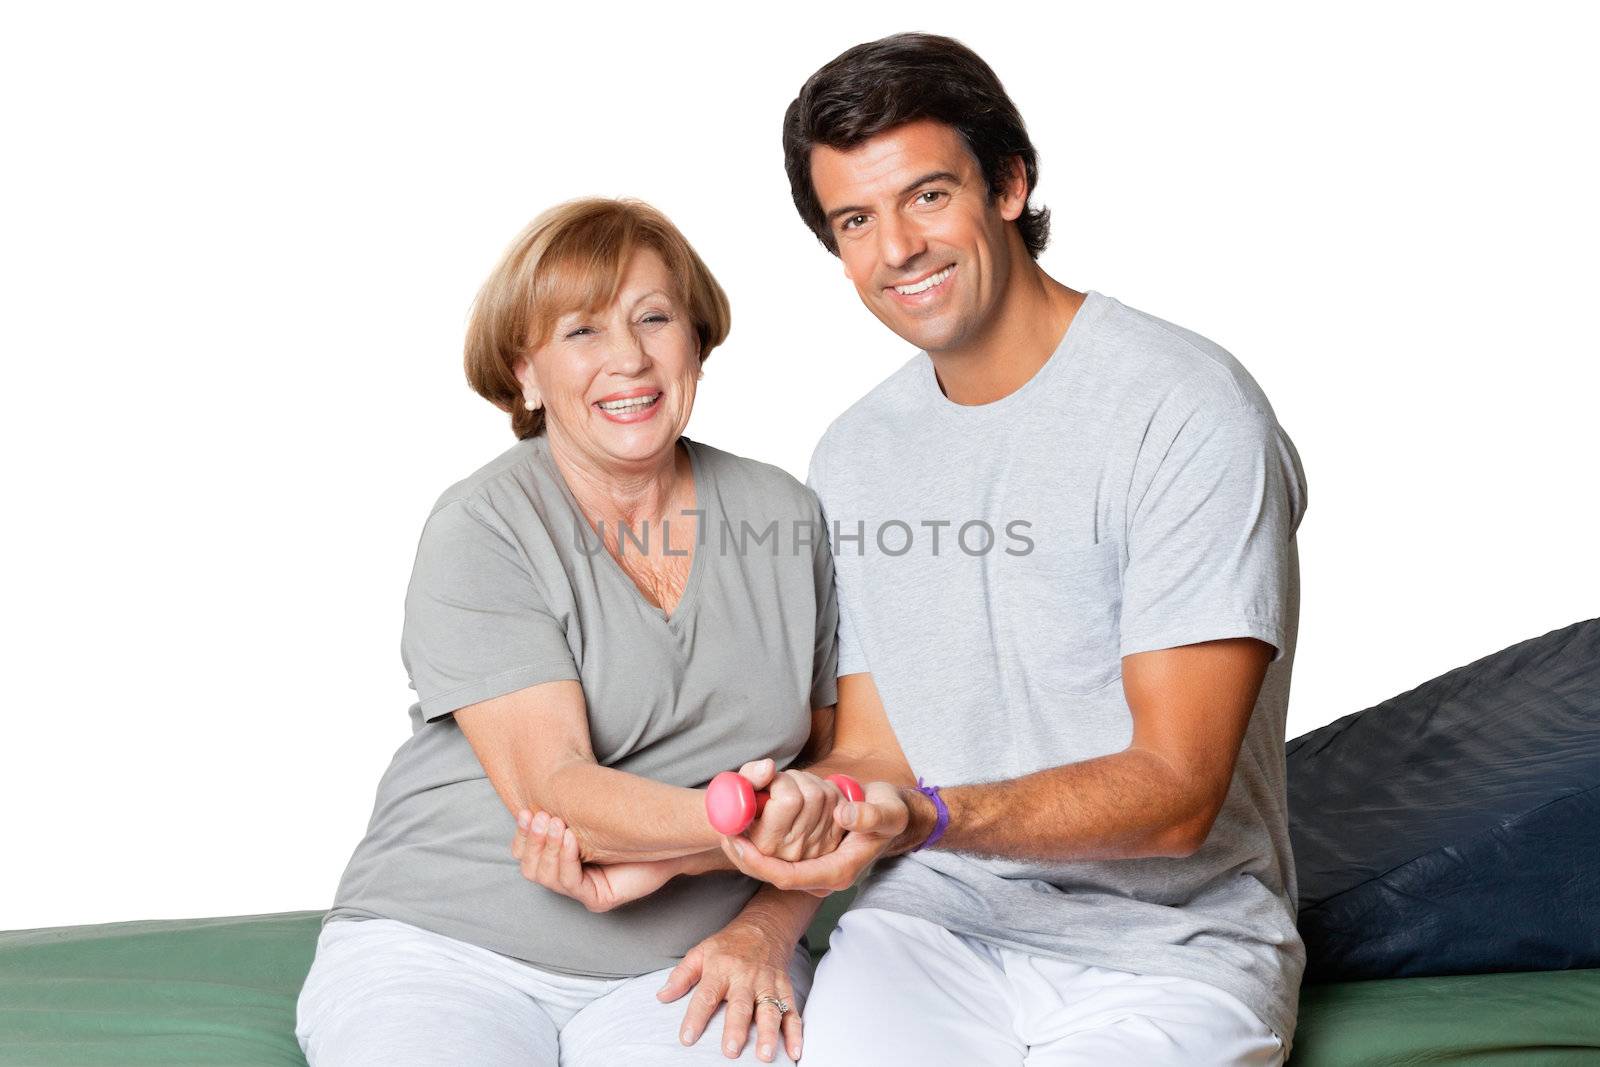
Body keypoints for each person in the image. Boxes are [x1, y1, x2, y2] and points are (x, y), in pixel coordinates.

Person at [718, 32, 1309, 1065]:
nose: (896, 246)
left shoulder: (1182, 409)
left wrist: (920, 816)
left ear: (1008, 183)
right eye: (855, 219)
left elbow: (1176, 792)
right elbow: (880, 750)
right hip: (927, 932)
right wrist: (823, 803)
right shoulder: (855, 451)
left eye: (927, 195)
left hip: (1169, 951)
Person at [294, 198, 852, 1065]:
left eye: (654, 318)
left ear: (697, 342)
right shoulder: (482, 525)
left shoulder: (785, 515)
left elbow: (835, 771)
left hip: (696, 963)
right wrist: (748, 830)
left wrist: (767, 919)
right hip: (446, 950)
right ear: (525, 373)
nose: (628, 357)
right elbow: (556, 790)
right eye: (582, 330)